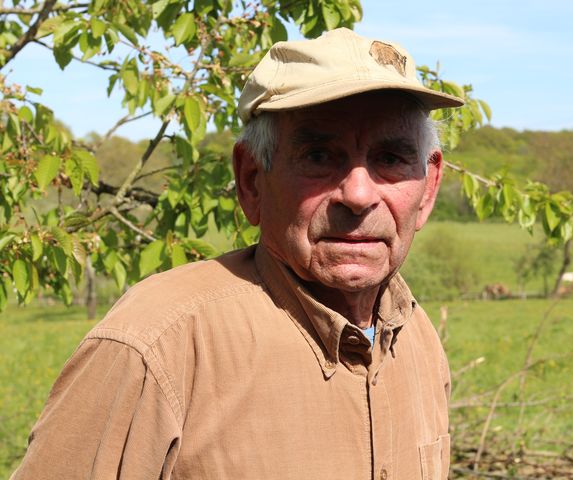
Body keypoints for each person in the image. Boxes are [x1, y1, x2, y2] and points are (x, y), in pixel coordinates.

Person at [12, 28, 463, 480]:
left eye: (391, 158)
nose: (359, 195)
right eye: (320, 155)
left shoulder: (416, 337)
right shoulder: (157, 345)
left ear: (427, 190)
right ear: (251, 180)